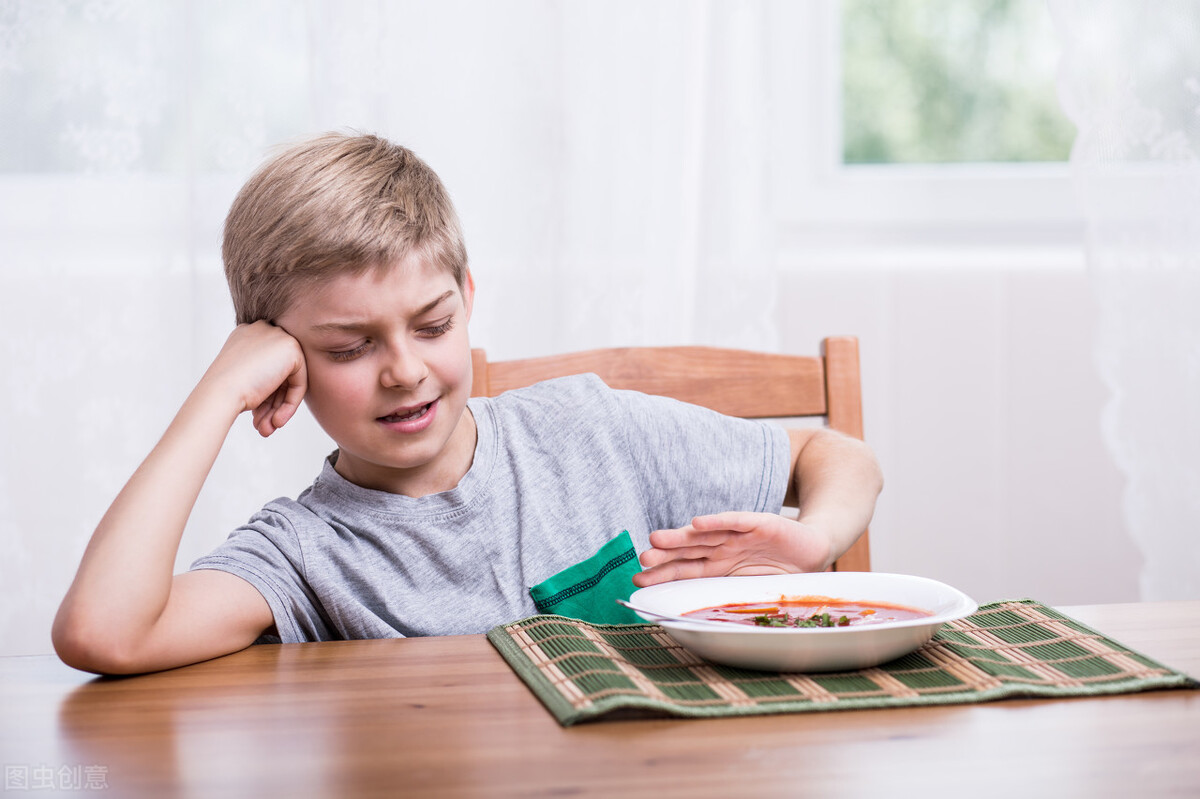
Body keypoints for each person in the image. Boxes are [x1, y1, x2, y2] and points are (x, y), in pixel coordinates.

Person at [52, 132, 883, 675]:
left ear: (468, 296)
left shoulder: (587, 429)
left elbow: (837, 457)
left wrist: (813, 538)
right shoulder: (305, 552)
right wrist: (218, 391)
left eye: (433, 324)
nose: (405, 370)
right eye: (349, 347)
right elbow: (103, 632)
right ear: (281, 359)